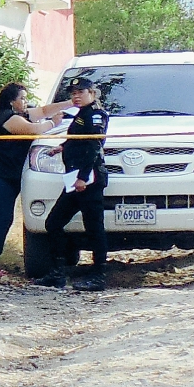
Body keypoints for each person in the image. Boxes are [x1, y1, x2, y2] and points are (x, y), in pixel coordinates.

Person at [0, 83, 71, 270]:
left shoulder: (22, 115)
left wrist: (68, 103)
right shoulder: (9, 118)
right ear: (12, 101)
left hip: (7, 178)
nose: (26, 102)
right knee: (3, 217)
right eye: (22, 99)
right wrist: (53, 123)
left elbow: (43, 110)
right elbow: (33, 129)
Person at [37, 77, 110, 291]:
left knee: (94, 227)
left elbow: (94, 147)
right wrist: (62, 147)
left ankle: (99, 276)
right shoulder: (82, 114)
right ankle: (57, 273)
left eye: (81, 92)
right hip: (75, 178)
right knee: (53, 222)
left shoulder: (96, 114)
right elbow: (78, 140)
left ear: (92, 93)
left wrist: (83, 177)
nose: (76, 96)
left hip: (88, 180)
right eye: (73, 93)